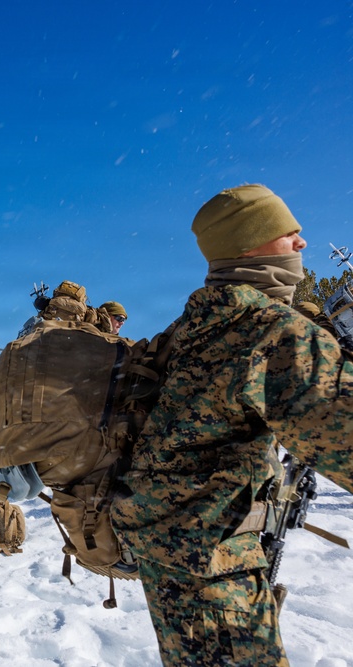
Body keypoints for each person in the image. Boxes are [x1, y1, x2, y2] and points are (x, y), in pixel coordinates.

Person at [111, 184, 353, 666]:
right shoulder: (272, 330)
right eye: (288, 232)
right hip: (214, 558)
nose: (301, 243)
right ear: (250, 243)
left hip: (167, 549)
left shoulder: (192, 324)